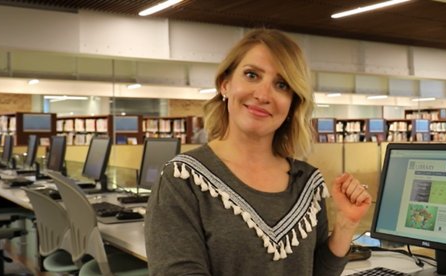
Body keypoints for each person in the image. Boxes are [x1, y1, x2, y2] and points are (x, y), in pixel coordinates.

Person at [145, 29, 372, 275]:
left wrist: (346, 225)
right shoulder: (183, 178)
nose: (263, 95)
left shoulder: (308, 183)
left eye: (282, 85)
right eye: (252, 75)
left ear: (292, 103)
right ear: (225, 84)